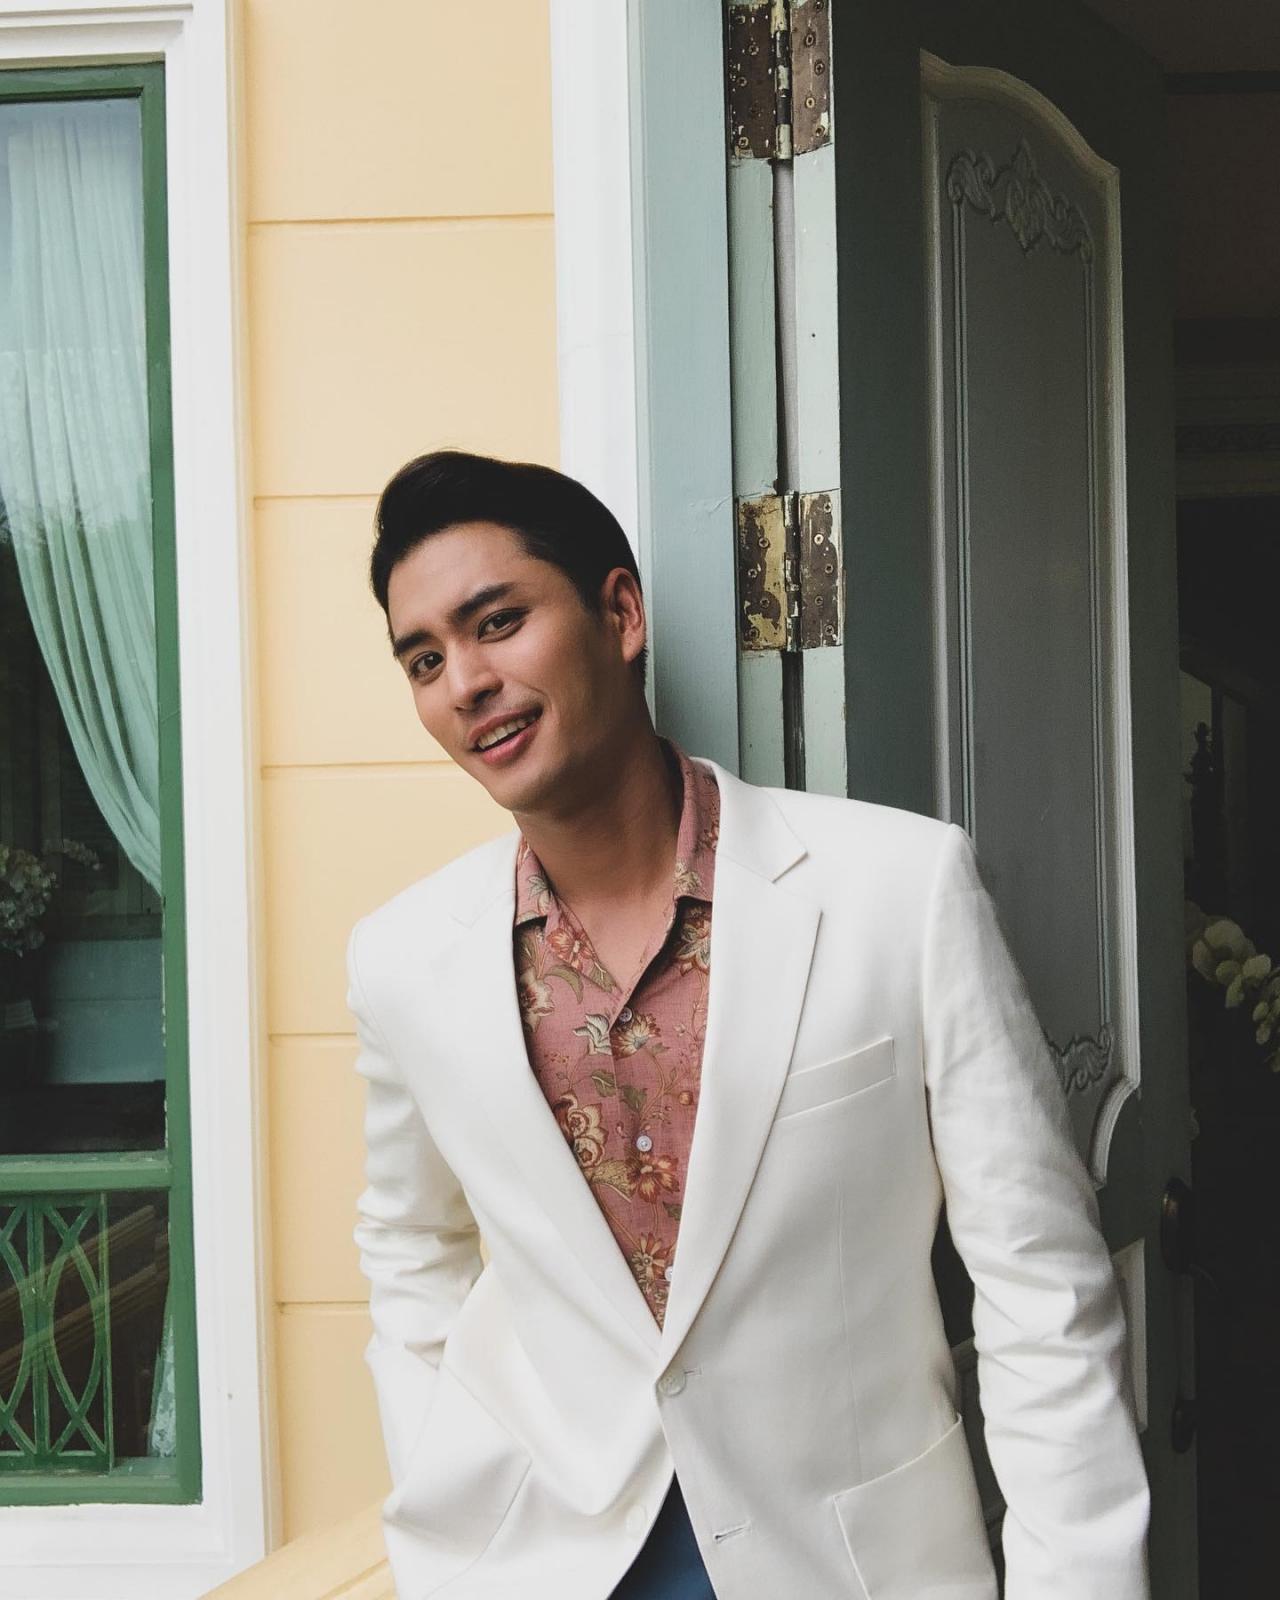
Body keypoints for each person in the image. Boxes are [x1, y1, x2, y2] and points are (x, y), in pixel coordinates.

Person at [348, 449, 1150, 1600]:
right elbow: (407, 1244)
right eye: (424, 659)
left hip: (848, 1568)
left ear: (619, 615)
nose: (465, 682)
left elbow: (1039, 1286)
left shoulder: (898, 887)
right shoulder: (403, 961)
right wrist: (441, 1483)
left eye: (497, 622)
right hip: (544, 1564)